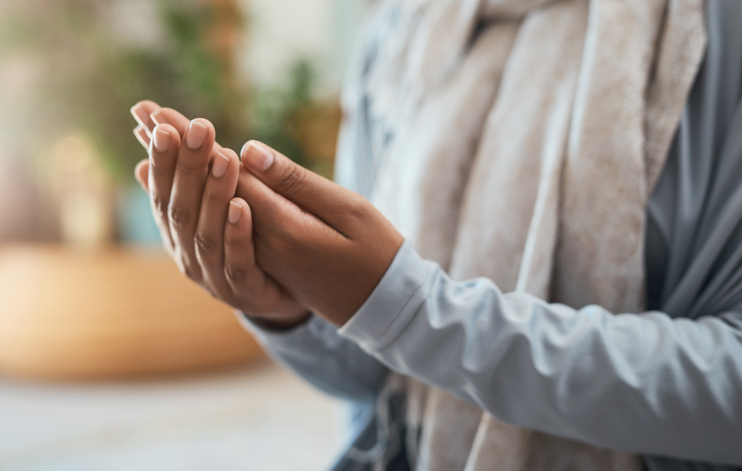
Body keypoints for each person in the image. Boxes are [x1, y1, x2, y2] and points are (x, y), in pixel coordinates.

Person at [130, 0, 742, 469]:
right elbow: (377, 379)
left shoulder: (713, 32)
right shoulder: (403, 28)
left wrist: (418, 316)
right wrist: (283, 309)